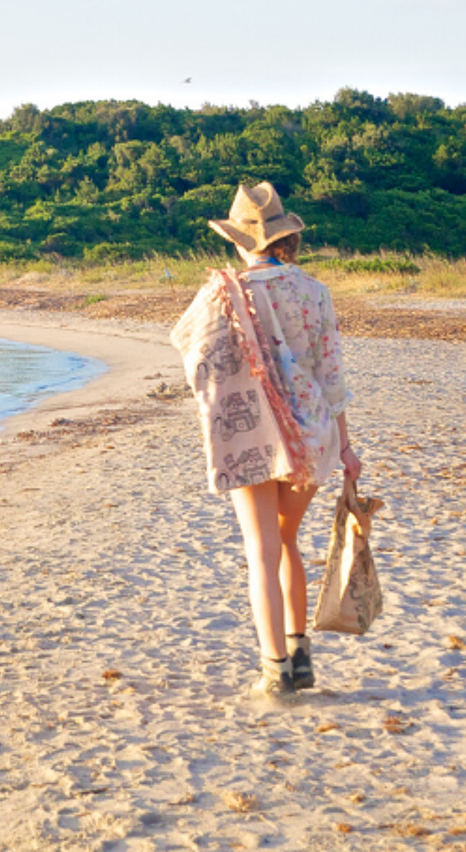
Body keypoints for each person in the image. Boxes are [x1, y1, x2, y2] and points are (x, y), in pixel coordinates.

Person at [169, 182, 363, 698]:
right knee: (288, 543)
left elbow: (189, 349)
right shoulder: (314, 292)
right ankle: (300, 657)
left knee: (261, 550)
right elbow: (332, 377)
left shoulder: (221, 293)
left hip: (251, 430)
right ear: (284, 237)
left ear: (239, 241)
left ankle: (274, 670)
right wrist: (345, 448)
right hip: (311, 431)